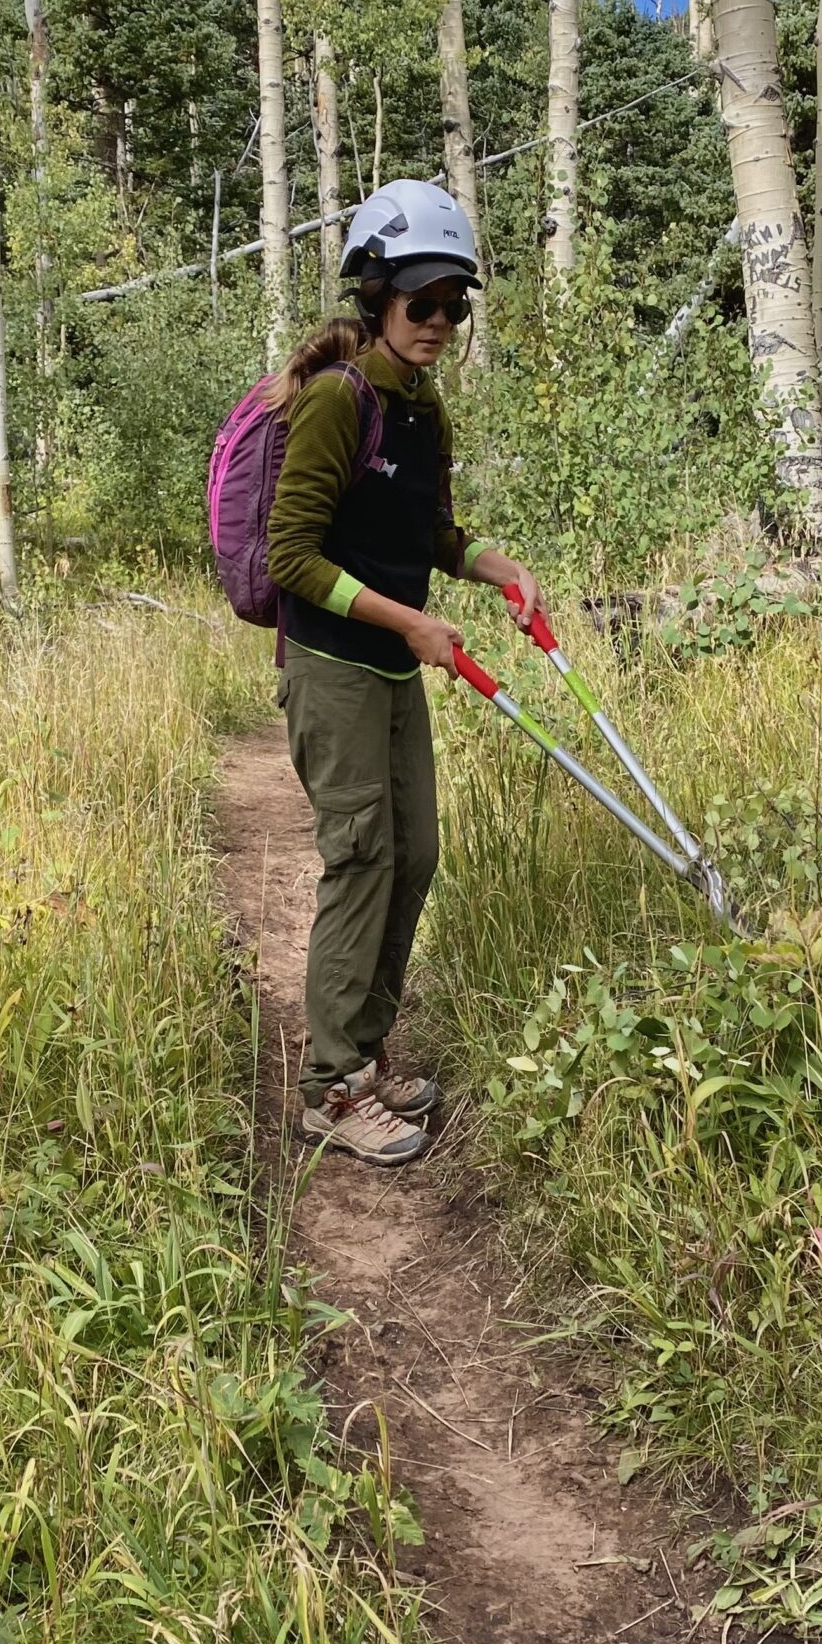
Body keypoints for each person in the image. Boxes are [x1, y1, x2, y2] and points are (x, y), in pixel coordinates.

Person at [265, 179, 542, 1165]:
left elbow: (422, 531)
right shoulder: (339, 404)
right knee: (361, 859)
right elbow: (290, 555)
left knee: (415, 854)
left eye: (453, 306)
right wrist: (410, 622)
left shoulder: (420, 408)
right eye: (421, 302)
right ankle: (329, 1090)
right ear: (374, 294)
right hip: (334, 665)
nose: (438, 322)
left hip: (392, 665)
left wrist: (488, 564)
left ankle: (368, 1054)